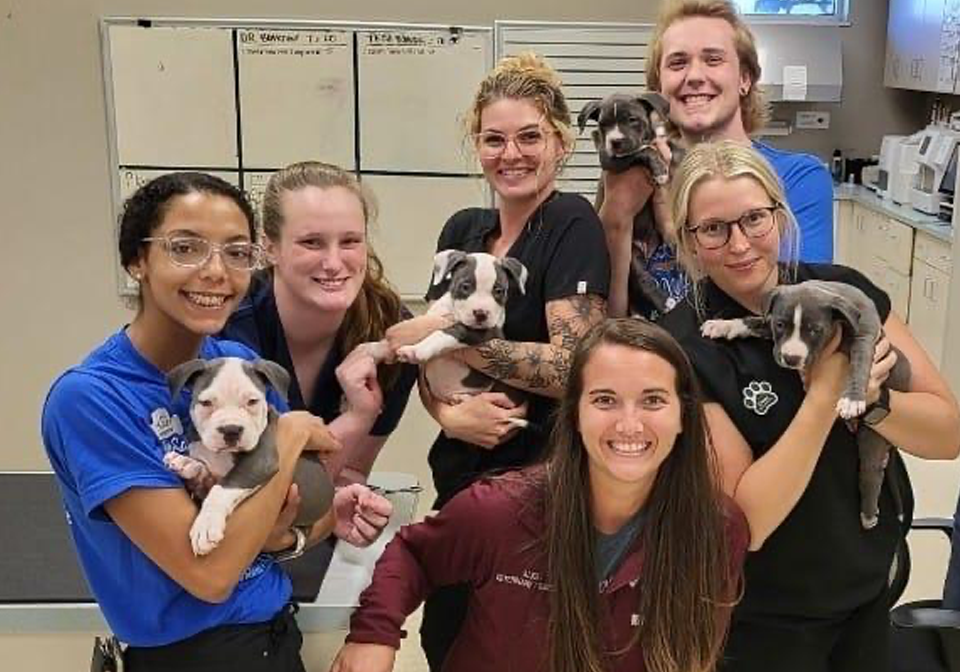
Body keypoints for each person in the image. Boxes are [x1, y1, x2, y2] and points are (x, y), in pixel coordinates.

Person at [41, 172, 392, 671]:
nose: (215, 271)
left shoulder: (233, 361)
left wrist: (292, 530)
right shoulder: (92, 399)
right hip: (193, 656)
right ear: (136, 261)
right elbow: (210, 573)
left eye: (236, 252)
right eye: (185, 247)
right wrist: (286, 434)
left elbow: (302, 503)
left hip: (274, 635)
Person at [658, 141, 960, 672]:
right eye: (713, 228)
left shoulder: (844, 293)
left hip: (868, 587)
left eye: (755, 219)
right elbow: (746, 521)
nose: (740, 245)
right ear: (687, 239)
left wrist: (873, 399)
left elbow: (947, 433)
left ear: (779, 213)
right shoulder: (683, 345)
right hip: (764, 615)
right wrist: (825, 394)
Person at [330, 318, 749, 672]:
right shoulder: (499, 510)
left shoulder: (716, 529)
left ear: (683, 416)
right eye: (605, 400)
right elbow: (414, 553)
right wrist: (373, 635)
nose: (629, 424)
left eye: (653, 401)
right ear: (574, 415)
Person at [383, 52, 611, 670]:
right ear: (476, 145)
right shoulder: (463, 228)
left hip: (539, 481)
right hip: (459, 470)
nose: (511, 154)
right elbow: (422, 354)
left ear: (560, 141)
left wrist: (454, 334)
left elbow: (573, 367)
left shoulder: (569, 224)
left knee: (519, 646)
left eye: (530, 136)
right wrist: (447, 416)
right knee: (447, 638)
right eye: (494, 139)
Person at [600, 0, 834, 318]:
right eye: (678, 63)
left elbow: (796, 311)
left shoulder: (796, 177)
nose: (694, 75)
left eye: (713, 59)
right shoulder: (634, 175)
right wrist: (616, 221)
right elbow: (609, 318)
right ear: (658, 88)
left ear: (745, 78)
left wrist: (672, 212)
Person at [220, 161, 418, 487]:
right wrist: (357, 417)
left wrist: (348, 501)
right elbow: (248, 487)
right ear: (269, 247)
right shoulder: (228, 327)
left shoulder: (390, 331)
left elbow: (351, 473)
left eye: (350, 241)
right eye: (312, 242)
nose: (333, 263)